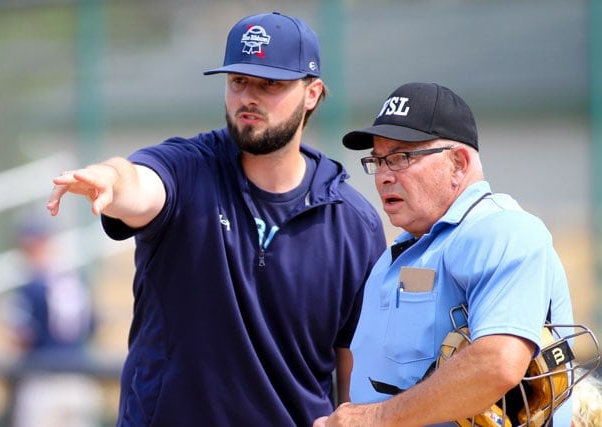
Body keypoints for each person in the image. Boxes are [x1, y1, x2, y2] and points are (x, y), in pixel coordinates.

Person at [46, 11, 386, 426]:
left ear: (312, 93)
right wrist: (110, 180)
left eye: (270, 84)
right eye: (238, 81)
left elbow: (354, 360)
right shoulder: (188, 169)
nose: (248, 97)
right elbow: (140, 182)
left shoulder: (353, 223)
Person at [314, 82, 574, 426]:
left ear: (458, 162)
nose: (384, 177)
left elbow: (497, 363)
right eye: (377, 160)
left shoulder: (501, 230)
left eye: (400, 157)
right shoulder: (402, 250)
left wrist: (373, 418)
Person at [3, 217, 100, 427]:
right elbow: (93, 327)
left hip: (41, 381)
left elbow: (21, 337)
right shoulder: (77, 279)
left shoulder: (30, 286)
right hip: (79, 378)